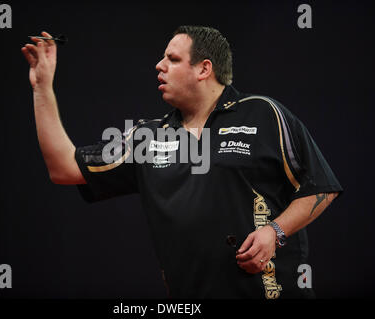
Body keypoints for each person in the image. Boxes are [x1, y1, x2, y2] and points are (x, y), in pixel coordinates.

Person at [21, 26, 343, 299]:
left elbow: (322, 187)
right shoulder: (147, 137)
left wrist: (275, 231)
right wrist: (42, 88)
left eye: (172, 59)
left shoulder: (263, 113)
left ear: (204, 69)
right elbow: (64, 167)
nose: (158, 66)